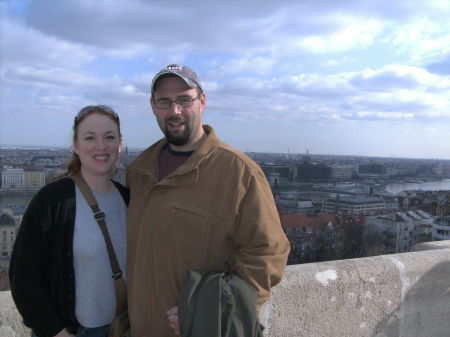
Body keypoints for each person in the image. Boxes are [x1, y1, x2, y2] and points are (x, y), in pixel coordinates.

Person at [126, 64, 290, 337]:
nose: (174, 110)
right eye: (164, 101)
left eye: (184, 99)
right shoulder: (138, 172)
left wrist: (210, 310)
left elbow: (269, 254)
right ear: (153, 106)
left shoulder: (239, 172)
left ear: (202, 102)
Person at [9, 105, 129, 337]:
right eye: (89, 137)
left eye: (109, 137)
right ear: (76, 145)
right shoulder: (53, 201)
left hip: (120, 329)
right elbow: (23, 276)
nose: (101, 146)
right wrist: (57, 331)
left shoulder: (128, 199)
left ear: (120, 144)